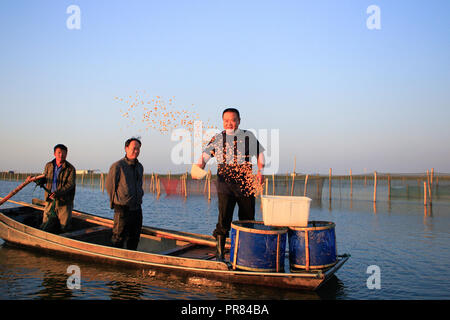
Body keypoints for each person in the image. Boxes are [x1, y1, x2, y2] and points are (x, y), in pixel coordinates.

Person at [194, 108, 265, 261]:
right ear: (223, 122)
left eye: (232, 120)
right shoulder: (217, 138)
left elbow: (260, 154)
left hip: (246, 182)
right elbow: (204, 157)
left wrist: (261, 171)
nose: (229, 123)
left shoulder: (248, 136)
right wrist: (198, 169)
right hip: (225, 184)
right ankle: (220, 255)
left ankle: (246, 254)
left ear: (239, 121)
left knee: (247, 219)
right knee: (224, 218)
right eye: (226, 121)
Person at [105, 137, 144, 250]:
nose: (136, 151)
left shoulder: (140, 167)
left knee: (135, 237)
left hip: (136, 208)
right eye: (134, 148)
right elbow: (110, 186)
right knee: (118, 237)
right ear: (126, 148)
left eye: (138, 149)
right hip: (122, 208)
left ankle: (131, 259)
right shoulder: (118, 166)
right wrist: (116, 202)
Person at [34, 144, 76, 233]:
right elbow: (45, 178)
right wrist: (38, 180)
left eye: (64, 153)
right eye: (59, 153)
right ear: (54, 154)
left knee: (64, 226)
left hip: (64, 202)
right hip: (50, 199)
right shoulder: (49, 166)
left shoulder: (70, 169)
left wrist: (57, 193)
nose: (61, 155)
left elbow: (70, 184)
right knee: (46, 223)